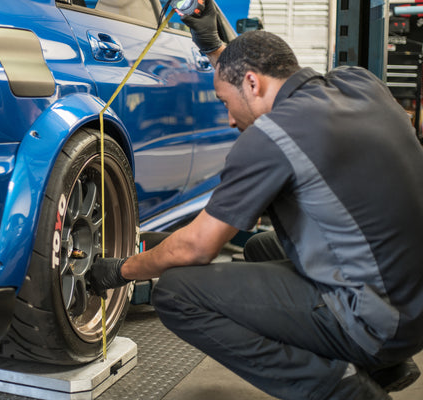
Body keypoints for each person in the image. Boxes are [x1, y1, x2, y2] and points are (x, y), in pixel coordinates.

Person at [87, 0, 423, 399]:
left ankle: (344, 390)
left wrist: (121, 270)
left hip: (378, 323)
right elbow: (251, 74)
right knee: (264, 246)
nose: (229, 119)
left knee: (176, 293)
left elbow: (197, 248)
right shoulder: (359, 83)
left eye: (225, 103)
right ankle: (383, 367)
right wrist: (215, 44)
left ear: (251, 84)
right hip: (412, 303)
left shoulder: (272, 136)